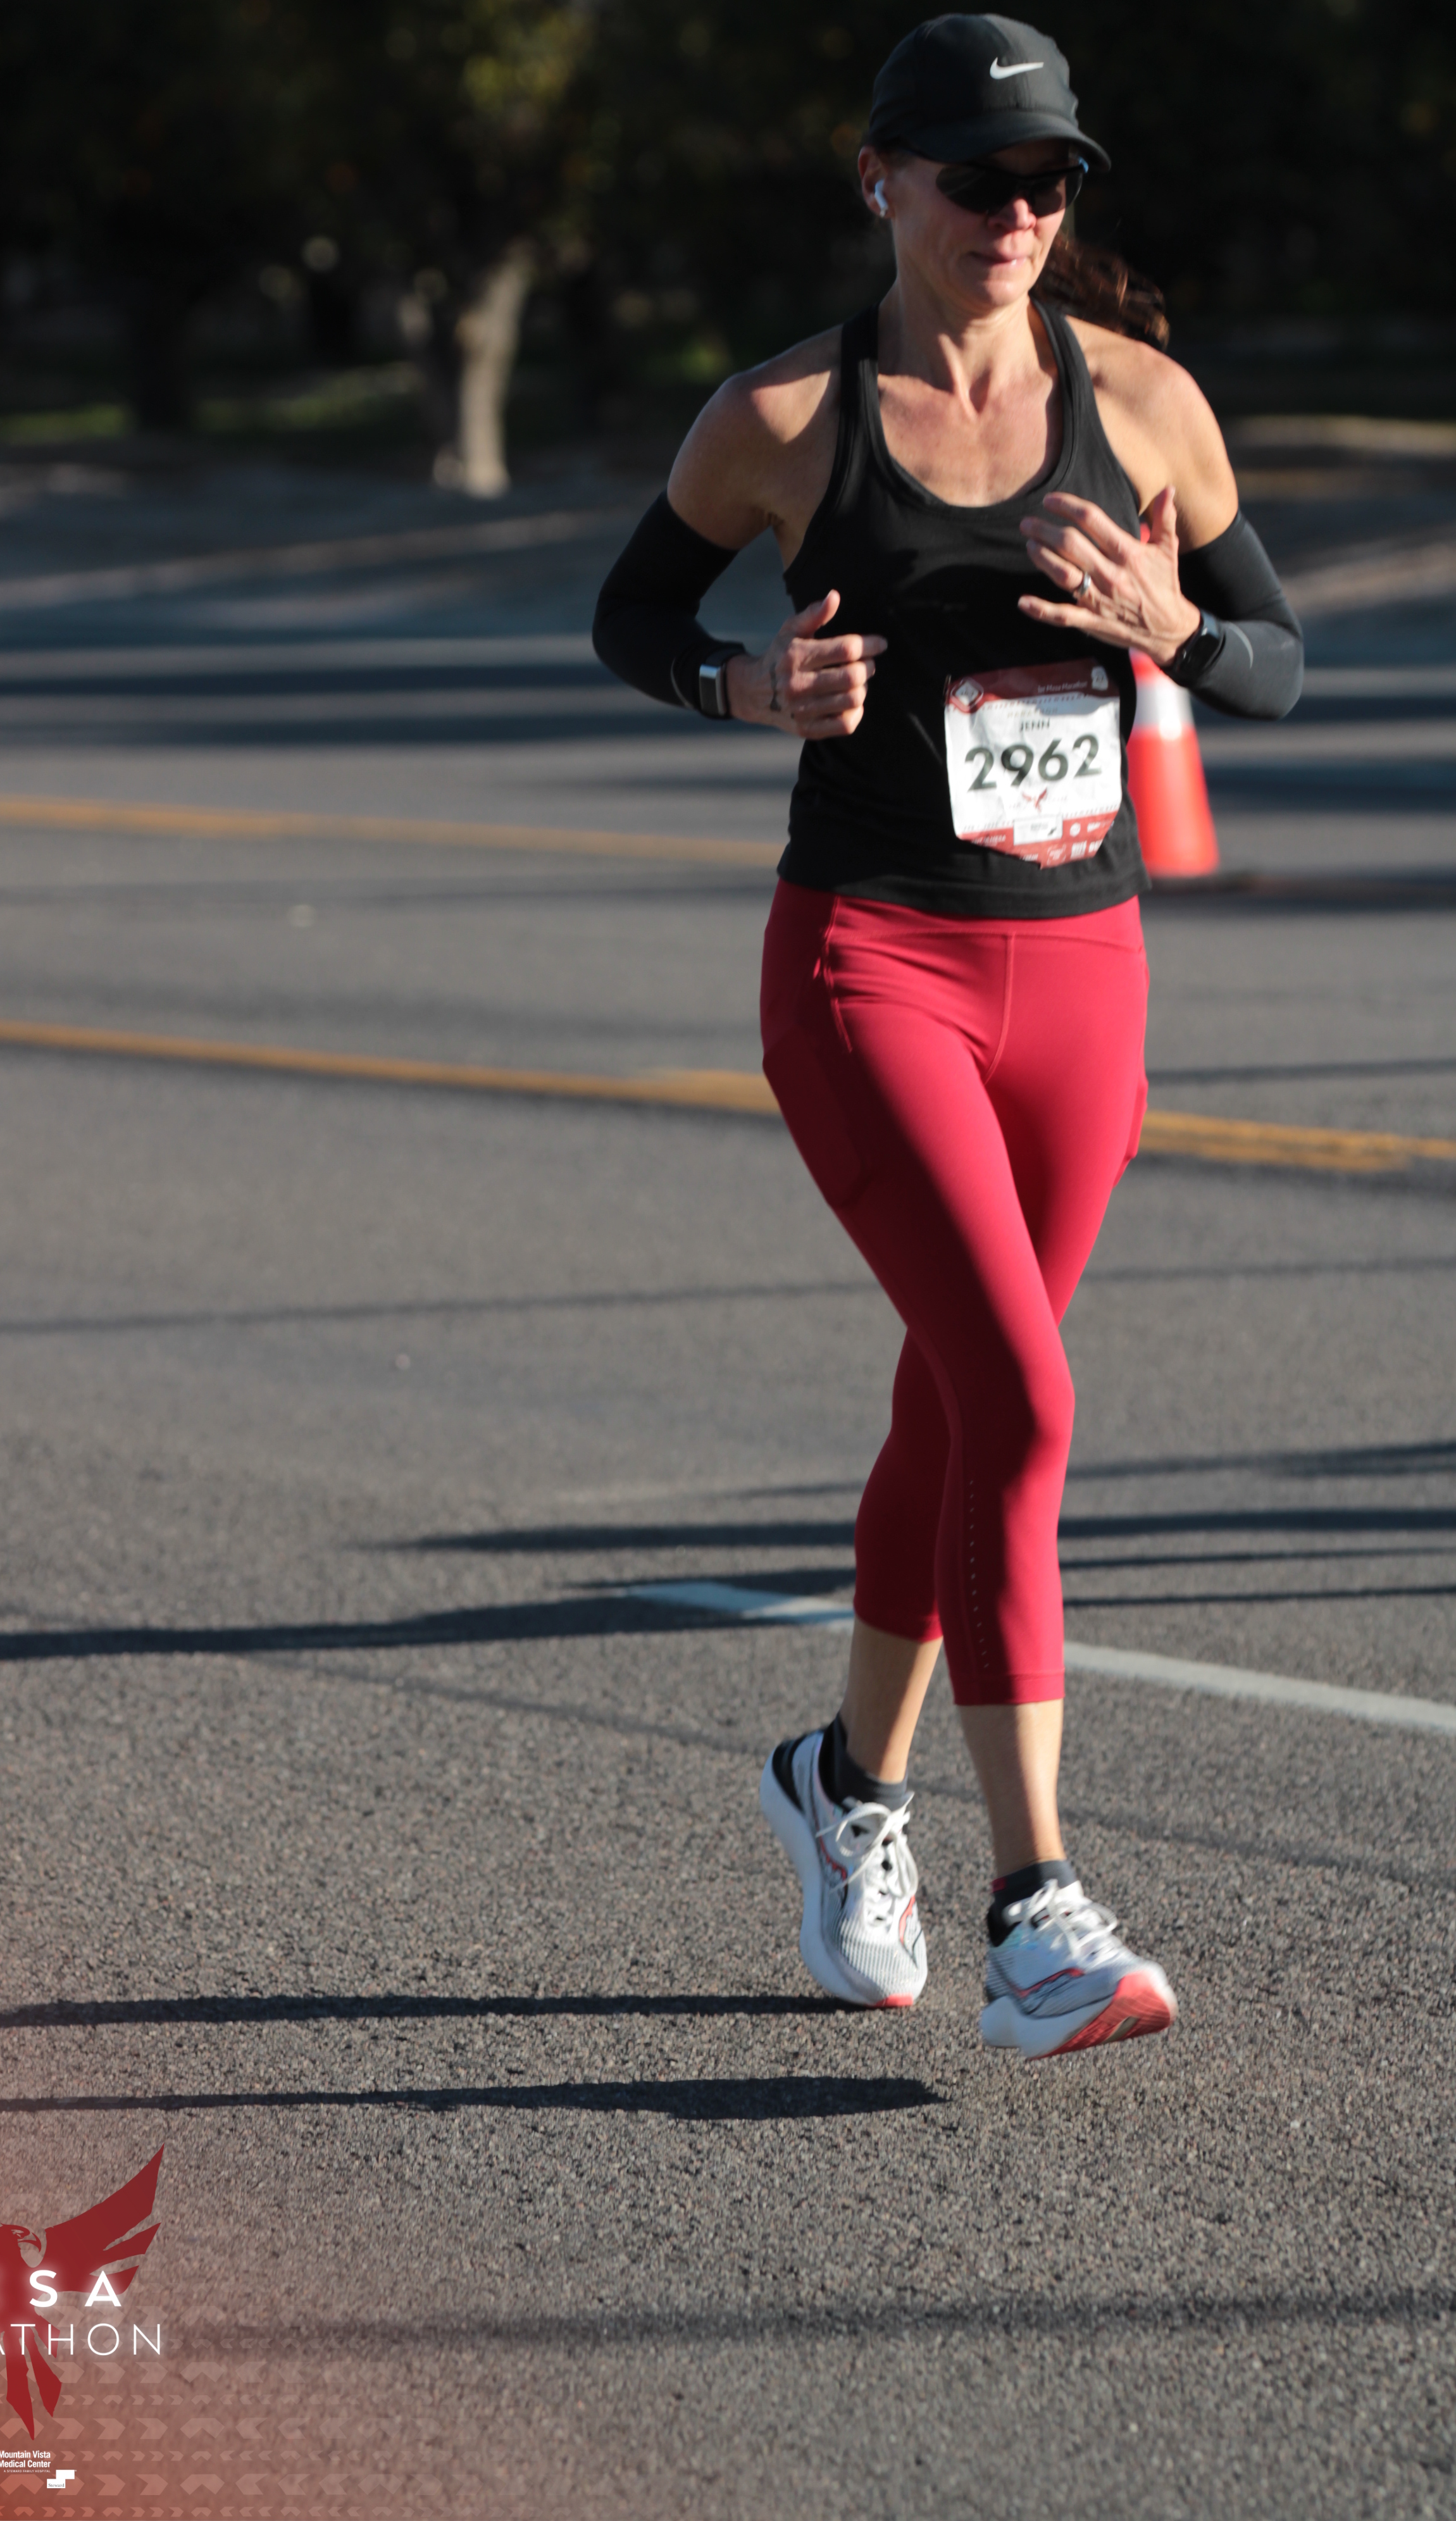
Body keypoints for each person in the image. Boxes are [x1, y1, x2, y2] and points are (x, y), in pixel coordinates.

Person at [593, 13, 1302, 2058]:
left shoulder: (1144, 403)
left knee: (961, 1405)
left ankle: (845, 1785)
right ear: (882, 180)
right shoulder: (788, 417)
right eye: (979, 178)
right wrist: (747, 692)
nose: (1017, 213)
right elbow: (635, 616)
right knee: (1024, 1398)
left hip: (1084, 974)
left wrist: (1177, 634)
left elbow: (1274, 660)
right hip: (873, 964)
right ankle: (1038, 1908)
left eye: (1049, 181)